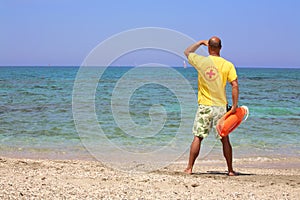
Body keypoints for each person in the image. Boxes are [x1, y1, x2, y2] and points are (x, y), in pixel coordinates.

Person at [184, 36, 239, 176]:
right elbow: (235, 85)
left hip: (205, 106)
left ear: (209, 47)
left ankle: (189, 168)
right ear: (220, 48)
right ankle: (230, 170)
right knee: (225, 138)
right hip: (220, 107)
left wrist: (199, 43)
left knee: (198, 137)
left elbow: (187, 52)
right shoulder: (228, 65)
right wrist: (234, 106)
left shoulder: (202, 61)